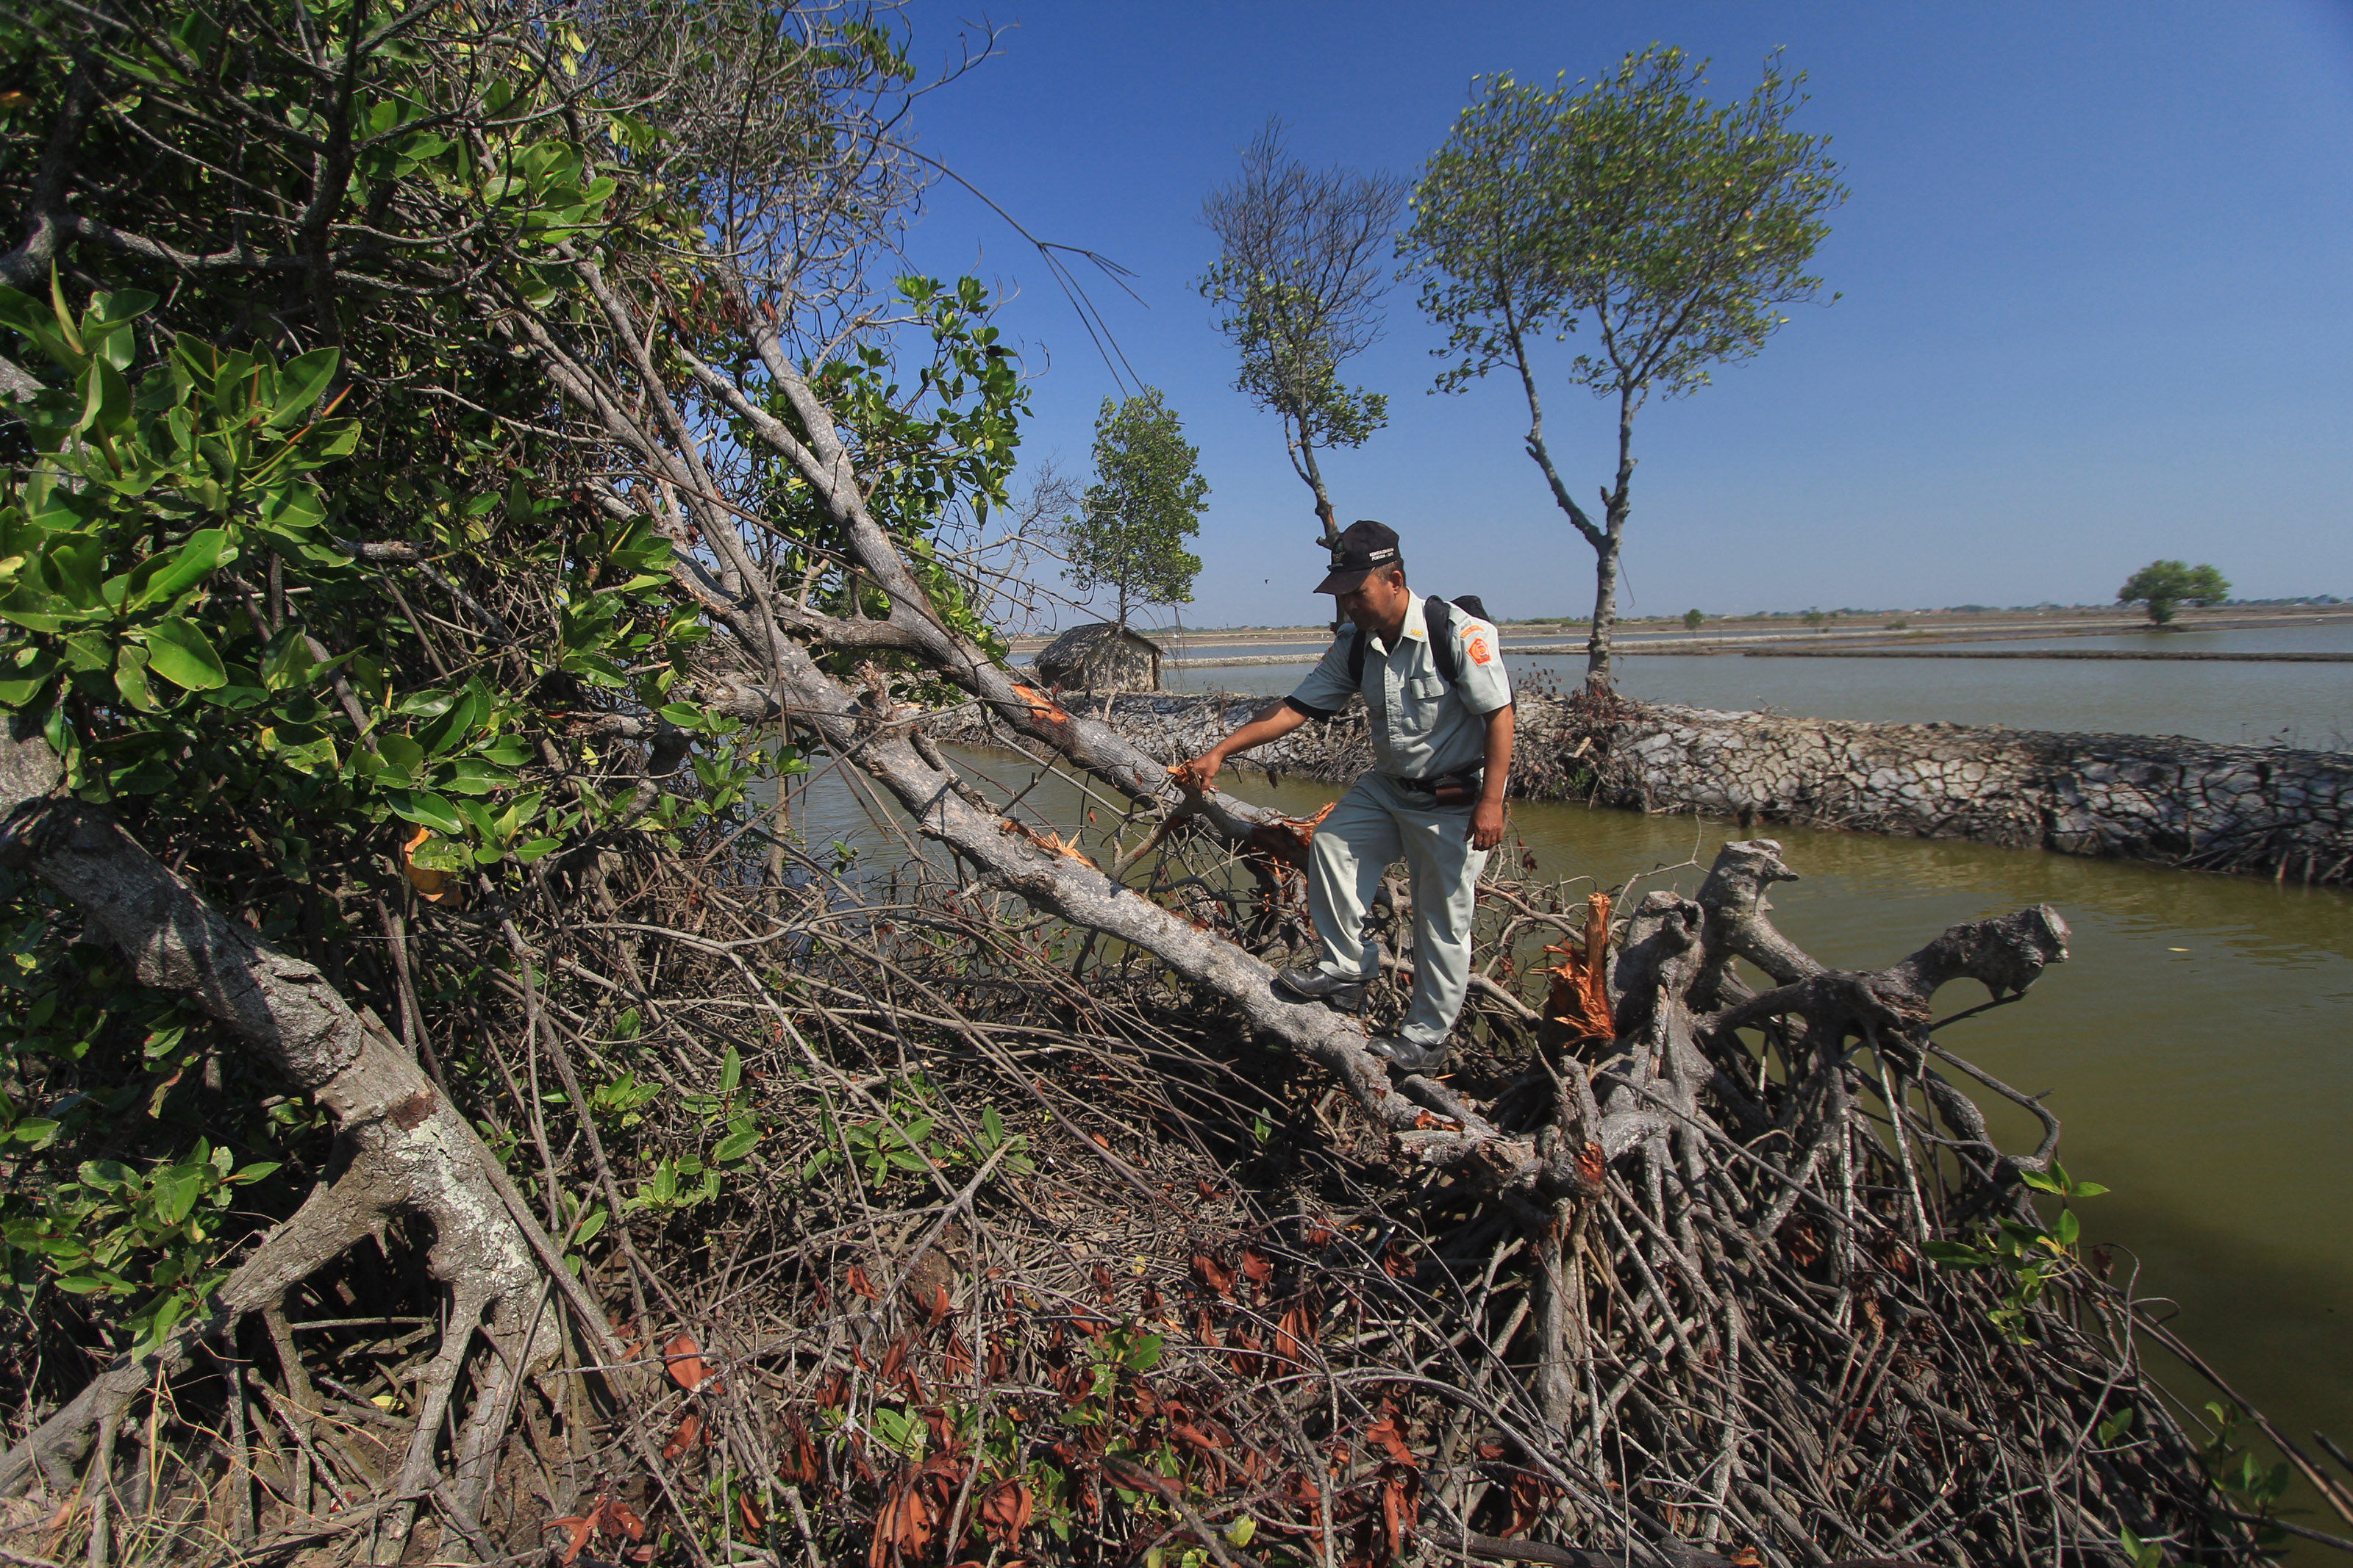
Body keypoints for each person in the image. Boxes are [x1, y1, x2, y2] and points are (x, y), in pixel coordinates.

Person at [1176, 520, 1513, 1073]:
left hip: (1453, 794)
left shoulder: (1456, 633)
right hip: (1389, 787)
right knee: (1333, 842)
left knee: (1440, 916)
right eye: (1342, 595)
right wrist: (1220, 751)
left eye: (1358, 593)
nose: (1349, 606)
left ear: (1396, 580)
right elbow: (1292, 709)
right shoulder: (1357, 645)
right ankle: (1348, 966)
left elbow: (1500, 714)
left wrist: (1492, 802)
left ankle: (1429, 1037)